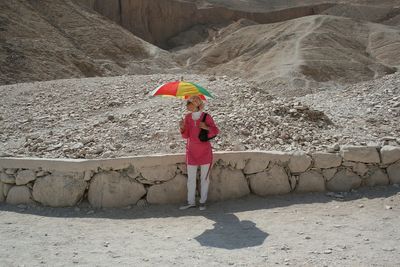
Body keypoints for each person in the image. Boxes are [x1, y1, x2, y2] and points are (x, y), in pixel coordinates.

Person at [179, 95, 219, 211]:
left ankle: (202, 202)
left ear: (197, 104)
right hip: (191, 152)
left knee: (204, 179)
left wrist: (206, 127)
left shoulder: (206, 117)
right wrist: (182, 128)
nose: (188, 106)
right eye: (188, 104)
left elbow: (215, 131)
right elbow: (185, 135)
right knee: (191, 179)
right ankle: (190, 202)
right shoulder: (187, 118)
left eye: (190, 103)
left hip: (205, 152)